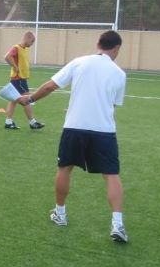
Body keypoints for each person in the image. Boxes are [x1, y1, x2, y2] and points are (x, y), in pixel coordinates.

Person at [17, 30, 128, 242]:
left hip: (75, 127)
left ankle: (60, 214)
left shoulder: (79, 62)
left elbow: (50, 86)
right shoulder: (119, 74)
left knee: (64, 168)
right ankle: (118, 224)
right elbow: (113, 104)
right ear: (116, 48)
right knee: (111, 174)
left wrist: (30, 99)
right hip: (104, 130)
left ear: (98, 43)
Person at [3, 31, 44, 130]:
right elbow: (7, 57)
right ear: (28, 38)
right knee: (27, 99)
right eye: (32, 41)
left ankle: (8, 122)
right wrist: (15, 67)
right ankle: (32, 122)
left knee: (13, 100)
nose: (32, 44)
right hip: (19, 79)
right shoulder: (17, 48)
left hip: (20, 79)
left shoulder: (24, 49)